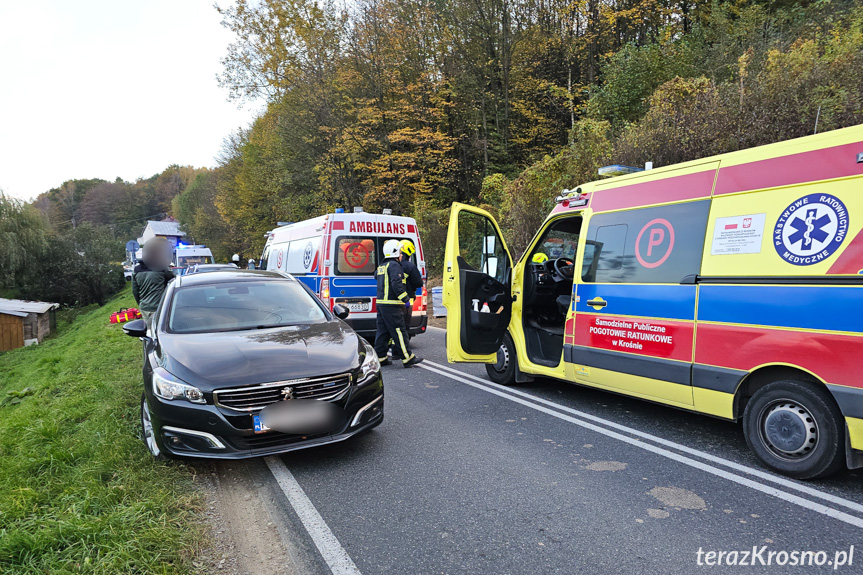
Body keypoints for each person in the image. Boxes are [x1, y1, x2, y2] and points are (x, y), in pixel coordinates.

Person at [374, 239, 422, 368]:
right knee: (399, 331)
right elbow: (396, 283)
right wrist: (405, 299)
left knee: (382, 332)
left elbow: (376, 277)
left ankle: (381, 357)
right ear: (394, 253)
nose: (402, 255)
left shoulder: (381, 266)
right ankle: (407, 358)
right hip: (392, 305)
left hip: (381, 304)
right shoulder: (395, 266)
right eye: (400, 252)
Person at [132, 237, 175, 322]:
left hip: (144, 307)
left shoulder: (136, 270)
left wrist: (140, 304)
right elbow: (174, 279)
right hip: (160, 307)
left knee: (149, 331)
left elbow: (135, 291)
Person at [397, 239, 423, 338]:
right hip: (408, 300)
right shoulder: (410, 266)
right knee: (405, 325)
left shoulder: (392, 265)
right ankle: (403, 347)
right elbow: (419, 283)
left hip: (393, 301)